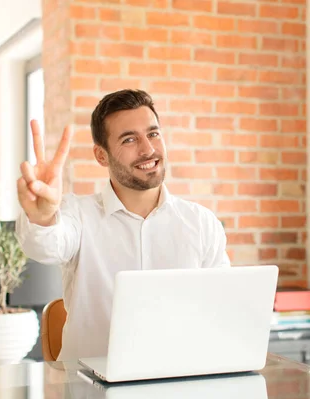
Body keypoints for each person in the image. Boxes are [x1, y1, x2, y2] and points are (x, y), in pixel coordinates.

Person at [15, 89, 230, 362]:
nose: (148, 149)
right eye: (129, 139)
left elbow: (223, 309)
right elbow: (45, 246)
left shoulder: (200, 222)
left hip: (181, 383)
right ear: (101, 156)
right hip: (91, 393)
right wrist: (43, 216)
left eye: (153, 134)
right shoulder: (77, 215)